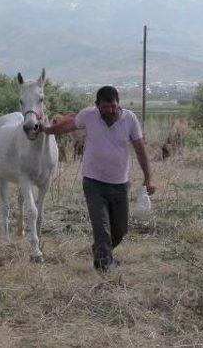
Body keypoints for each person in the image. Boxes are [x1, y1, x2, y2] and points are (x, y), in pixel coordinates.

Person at [43, 86, 156, 271]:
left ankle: (100, 250)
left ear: (118, 103)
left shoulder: (130, 119)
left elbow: (140, 149)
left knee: (119, 231)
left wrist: (148, 178)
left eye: (114, 106)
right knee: (102, 229)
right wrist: (48, 131)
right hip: (93, 183)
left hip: (120, 185)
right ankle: (105, 270)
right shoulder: (89, 115)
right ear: (97, 106)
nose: (111, 111)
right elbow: (68, 125)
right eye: (106, 107)